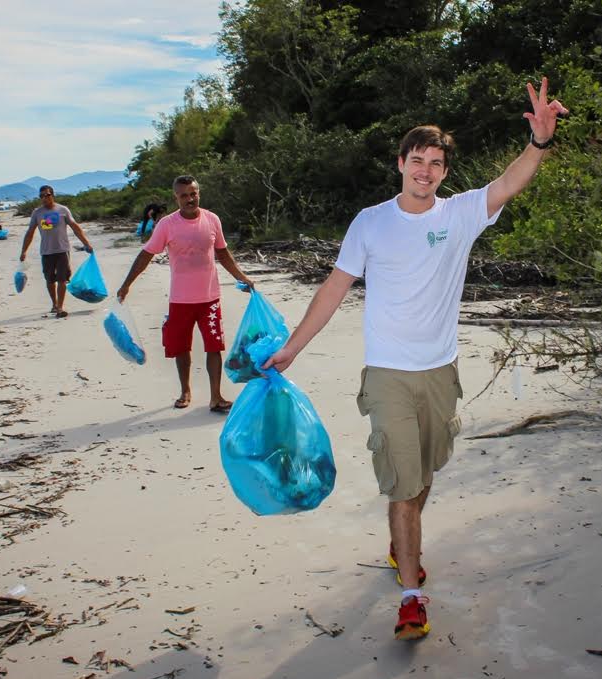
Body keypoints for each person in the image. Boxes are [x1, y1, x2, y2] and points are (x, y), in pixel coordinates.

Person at [264, 78, 569, 641]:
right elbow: (333, 288)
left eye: (435, 163)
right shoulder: (370, 222)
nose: (425, 170)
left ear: (445, 172)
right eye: (416, 160)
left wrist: (540, 142)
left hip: (441, 371)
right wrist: (290, 349)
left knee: (425, 473)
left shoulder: (458, 215)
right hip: (387, 375)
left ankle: (401, 543)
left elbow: (509, 182)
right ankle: (411, 595)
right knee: (403, 486)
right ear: (399, 163)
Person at [117, 175, 254, 413]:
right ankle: (185, 391)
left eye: (193, 194)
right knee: (182, 348)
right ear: (176, 197)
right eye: (184, 195)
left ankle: (216, 396)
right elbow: (146, 254)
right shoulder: (167, 225)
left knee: (214, 346)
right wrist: (127, 283)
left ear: (198, 193)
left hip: (210, 299)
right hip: (180, 300)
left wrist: (241, 277)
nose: (190, 199)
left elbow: (223, 254)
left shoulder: (212, 219)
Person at [20, 185, 94, 318]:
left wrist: (86, 243)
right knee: (49, 280)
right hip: (46, 252)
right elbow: (30, 232)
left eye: (47, 195)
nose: (45, 198)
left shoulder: (63, 210)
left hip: (62, 250)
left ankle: (60, 307)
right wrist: (24, 251)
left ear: (52, 195)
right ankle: (54, 304)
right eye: (42, 196)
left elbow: (75, 227)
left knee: (62, 279)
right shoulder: (37, 213)